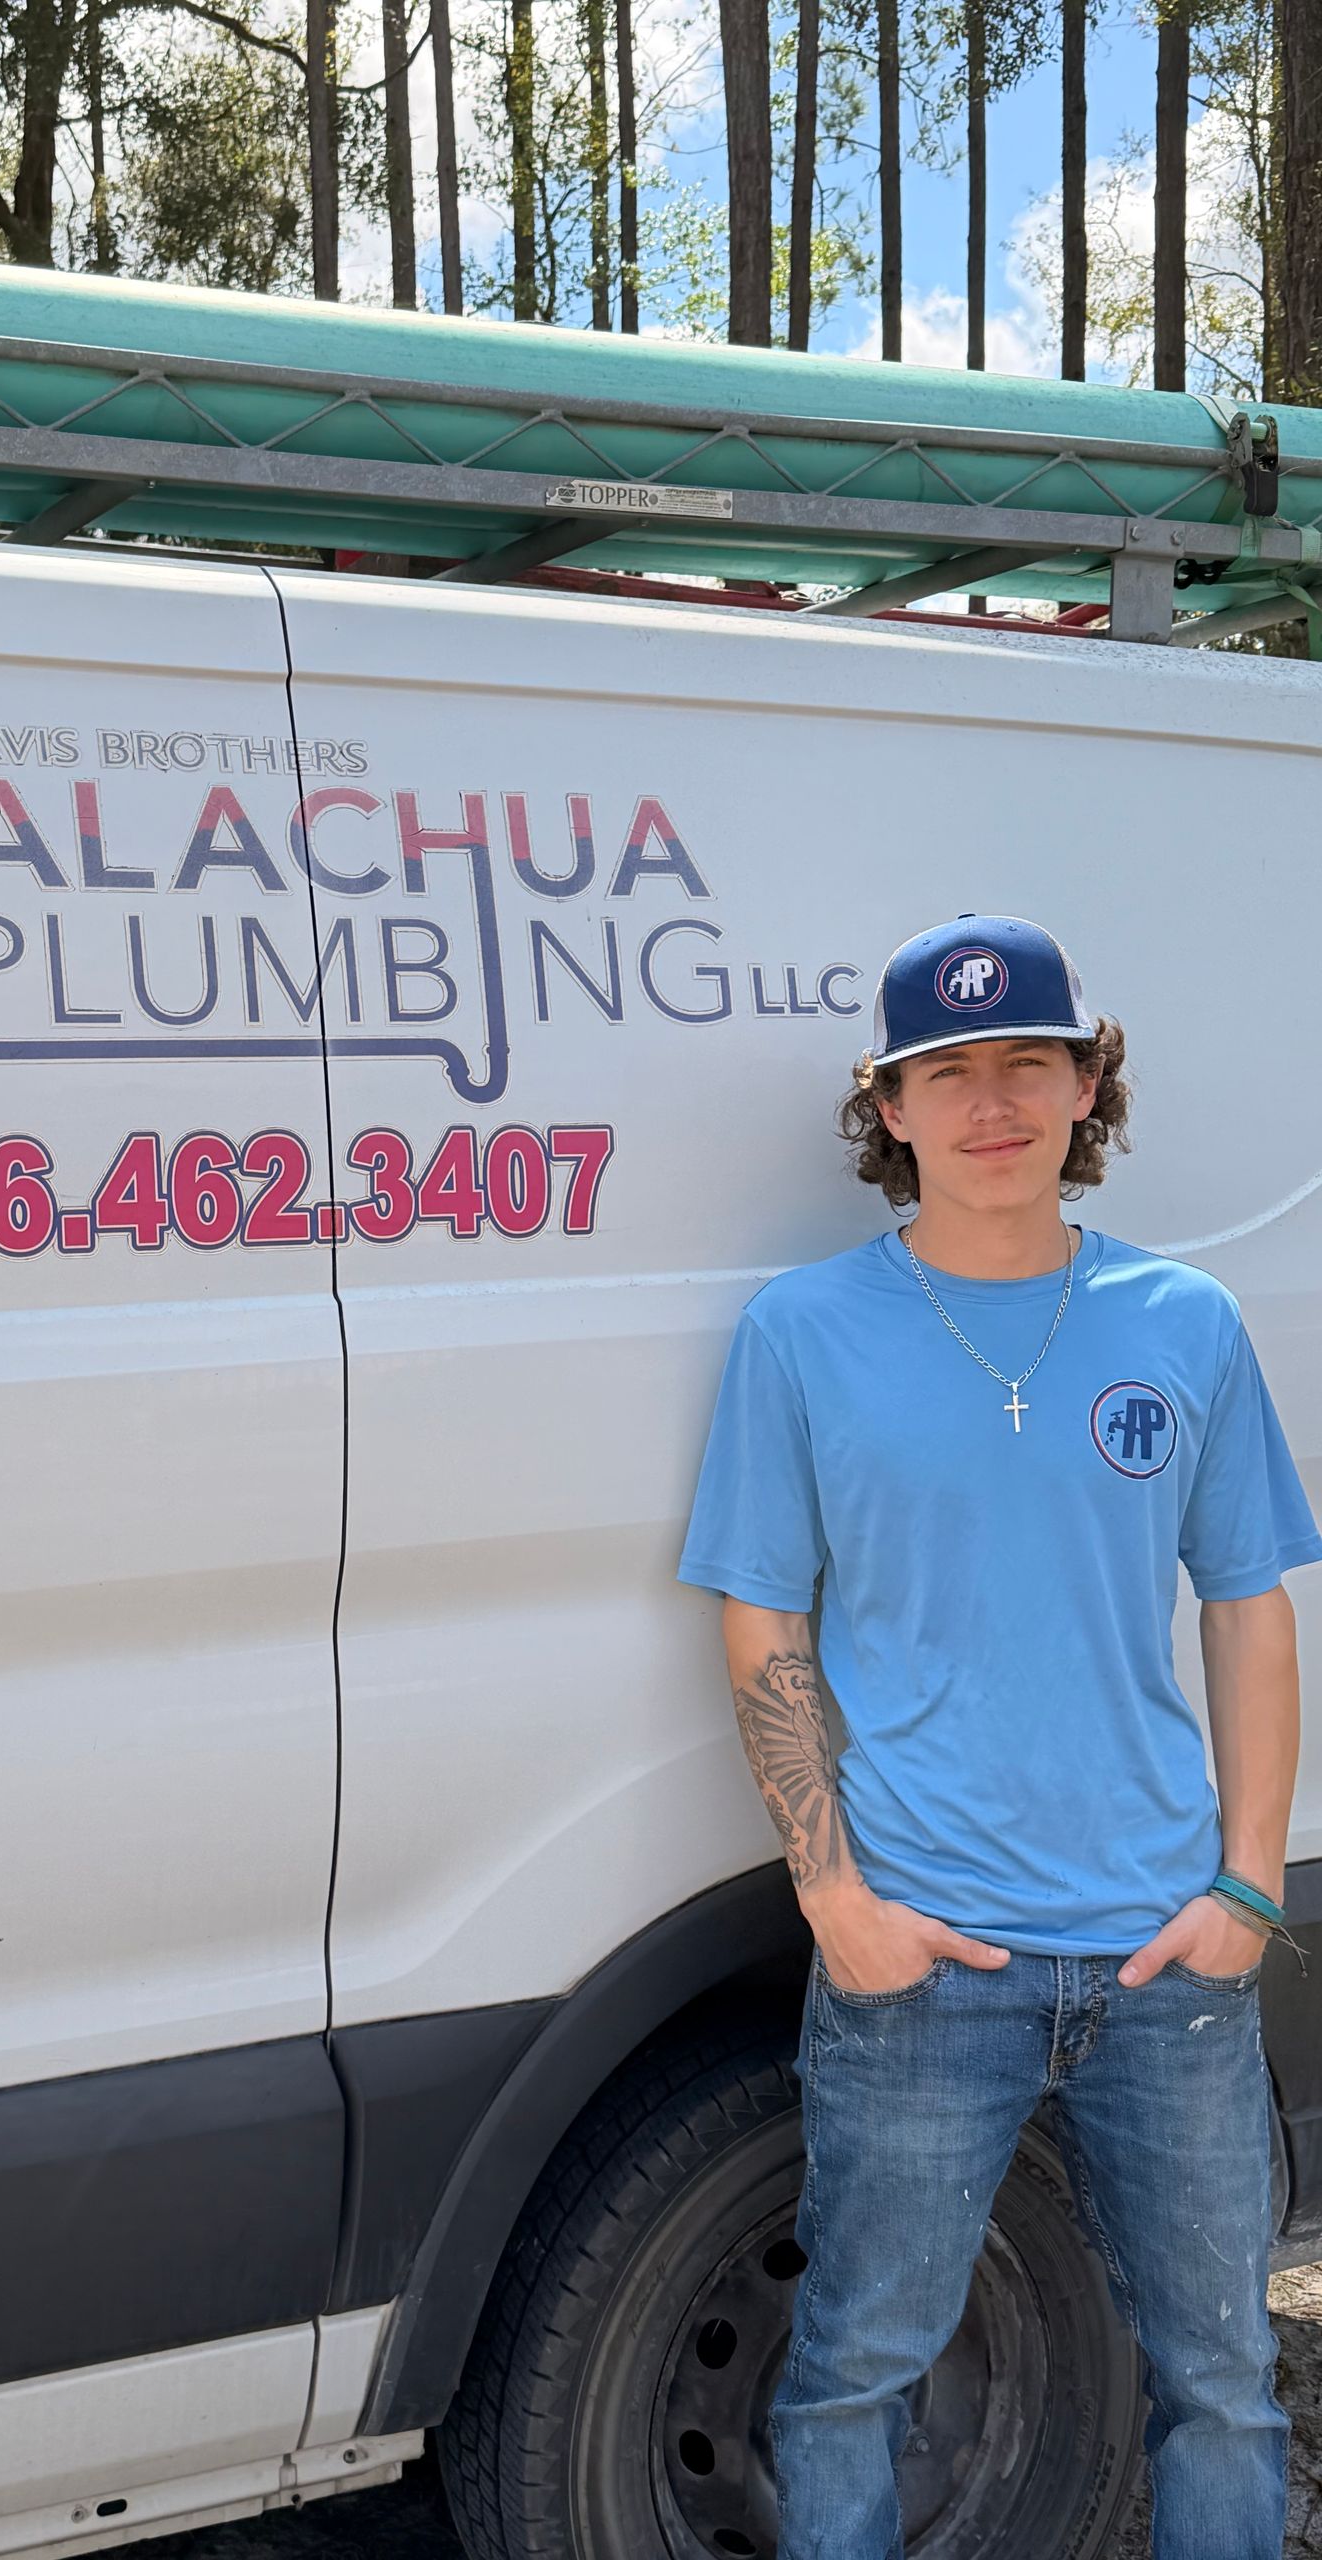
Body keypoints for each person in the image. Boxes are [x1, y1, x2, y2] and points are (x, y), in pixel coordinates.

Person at [676, 912, 1319, 2560]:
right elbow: (764, 1620)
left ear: (1087, 1082)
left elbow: (1249, 1605)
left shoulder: (1183, 1322)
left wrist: (1249, 1889)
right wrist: (834, 1899)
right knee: (846, 2389)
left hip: (1164, 1965)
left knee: (1229, 2387)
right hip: (924, 1962)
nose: (989, 1103)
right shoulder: (802, 1333)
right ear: (886, 1109)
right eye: (943, 1071)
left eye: (1026, 1062)